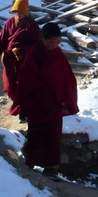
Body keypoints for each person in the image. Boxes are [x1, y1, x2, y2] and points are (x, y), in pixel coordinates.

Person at [17, 22, 78, 178]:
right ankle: (30, 161)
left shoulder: (59, 56)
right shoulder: (33, 54)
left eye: (58, 42)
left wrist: (67, 101)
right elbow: (28, 78)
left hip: (56, 103)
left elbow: (67, 79)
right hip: (37, 102)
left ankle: (50, 168)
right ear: (42, 38)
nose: (54, 44)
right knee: (36, 133)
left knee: (53, 136)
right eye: (51, 41)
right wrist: (40, 98)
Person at [0, 0, 42, 121]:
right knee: (9, 86)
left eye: (20, 12)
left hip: (25, 61)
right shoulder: (9, 23)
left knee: (23, 85)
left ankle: (23, 111)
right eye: (15, 12)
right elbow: (1, 42)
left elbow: (38, 44)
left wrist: (26, 52)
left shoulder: (32, 25)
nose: (17, 14)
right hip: (9, 60)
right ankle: (20, 105)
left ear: (25, 12)